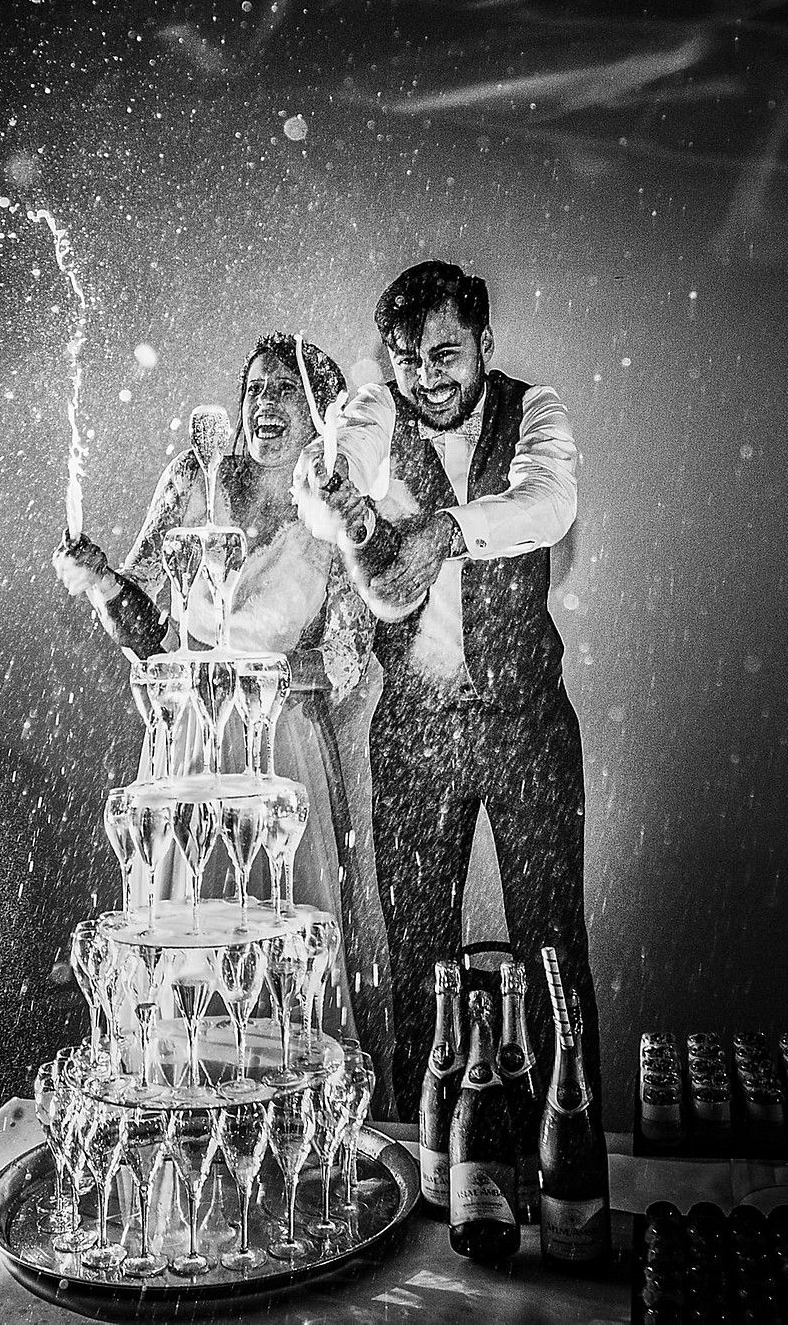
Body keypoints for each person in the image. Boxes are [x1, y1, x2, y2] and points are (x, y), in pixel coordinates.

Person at [52, 333, 396, 1109]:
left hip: (282, 752)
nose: (266, 405)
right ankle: (189, 1129)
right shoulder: (196, 479)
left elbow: (345, 664)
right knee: (185, 947)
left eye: (286, 391)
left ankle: (287, 1131)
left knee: (276, 949)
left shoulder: (334, 503)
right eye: (255, 390)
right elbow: (147, 629)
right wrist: (103, 581)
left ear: (323, 416)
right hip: (185, 752)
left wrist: (250, 675)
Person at [294, 260, 600, 1114]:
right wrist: (336, 495)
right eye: (406, 359)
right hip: (416, 737)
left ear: (484, 345)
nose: (424, 378)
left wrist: (447, 532)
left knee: (553, 960)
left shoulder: (536, 410)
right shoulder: (376, 407)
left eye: (444, 355)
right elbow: (328, 465)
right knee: (421, 964)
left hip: (528, 727)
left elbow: (548, 505)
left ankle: (565, 1166)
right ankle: (425, 1170)